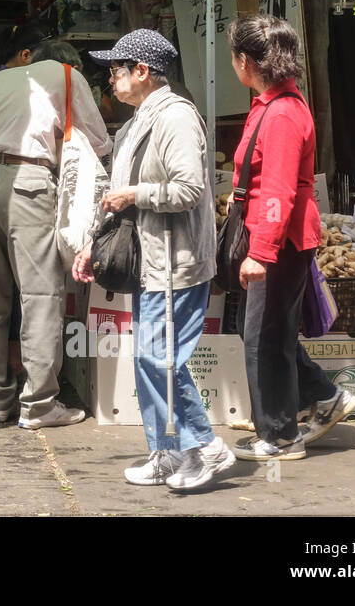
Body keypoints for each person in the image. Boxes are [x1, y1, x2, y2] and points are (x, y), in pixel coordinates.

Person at [72, 29, 235, 491]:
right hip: (149, 261)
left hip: (176, 262)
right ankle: (165, 451)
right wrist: (91, 243)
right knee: (148, 360)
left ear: (143, 72)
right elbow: (112, 197)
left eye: (117, 71)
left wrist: (135, 194)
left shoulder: (176, 118)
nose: (111, 80)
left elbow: (189, 190)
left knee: (159, 359)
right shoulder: (135, 123)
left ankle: (202, 446)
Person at [0, 19, 111, 428]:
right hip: (27, 182)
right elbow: (98, 142)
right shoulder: (65, 74)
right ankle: (40, 404)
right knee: (40, 293)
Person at [226, 14, 355, 461]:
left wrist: (260, 253)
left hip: (277, 242)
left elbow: (280, 189)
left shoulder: (281, 113)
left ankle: (281, 436)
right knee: (266, 334)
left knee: (264, 338)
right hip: (276, 235)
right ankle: (324, 395)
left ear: (245, 60)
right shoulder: (273, 104)